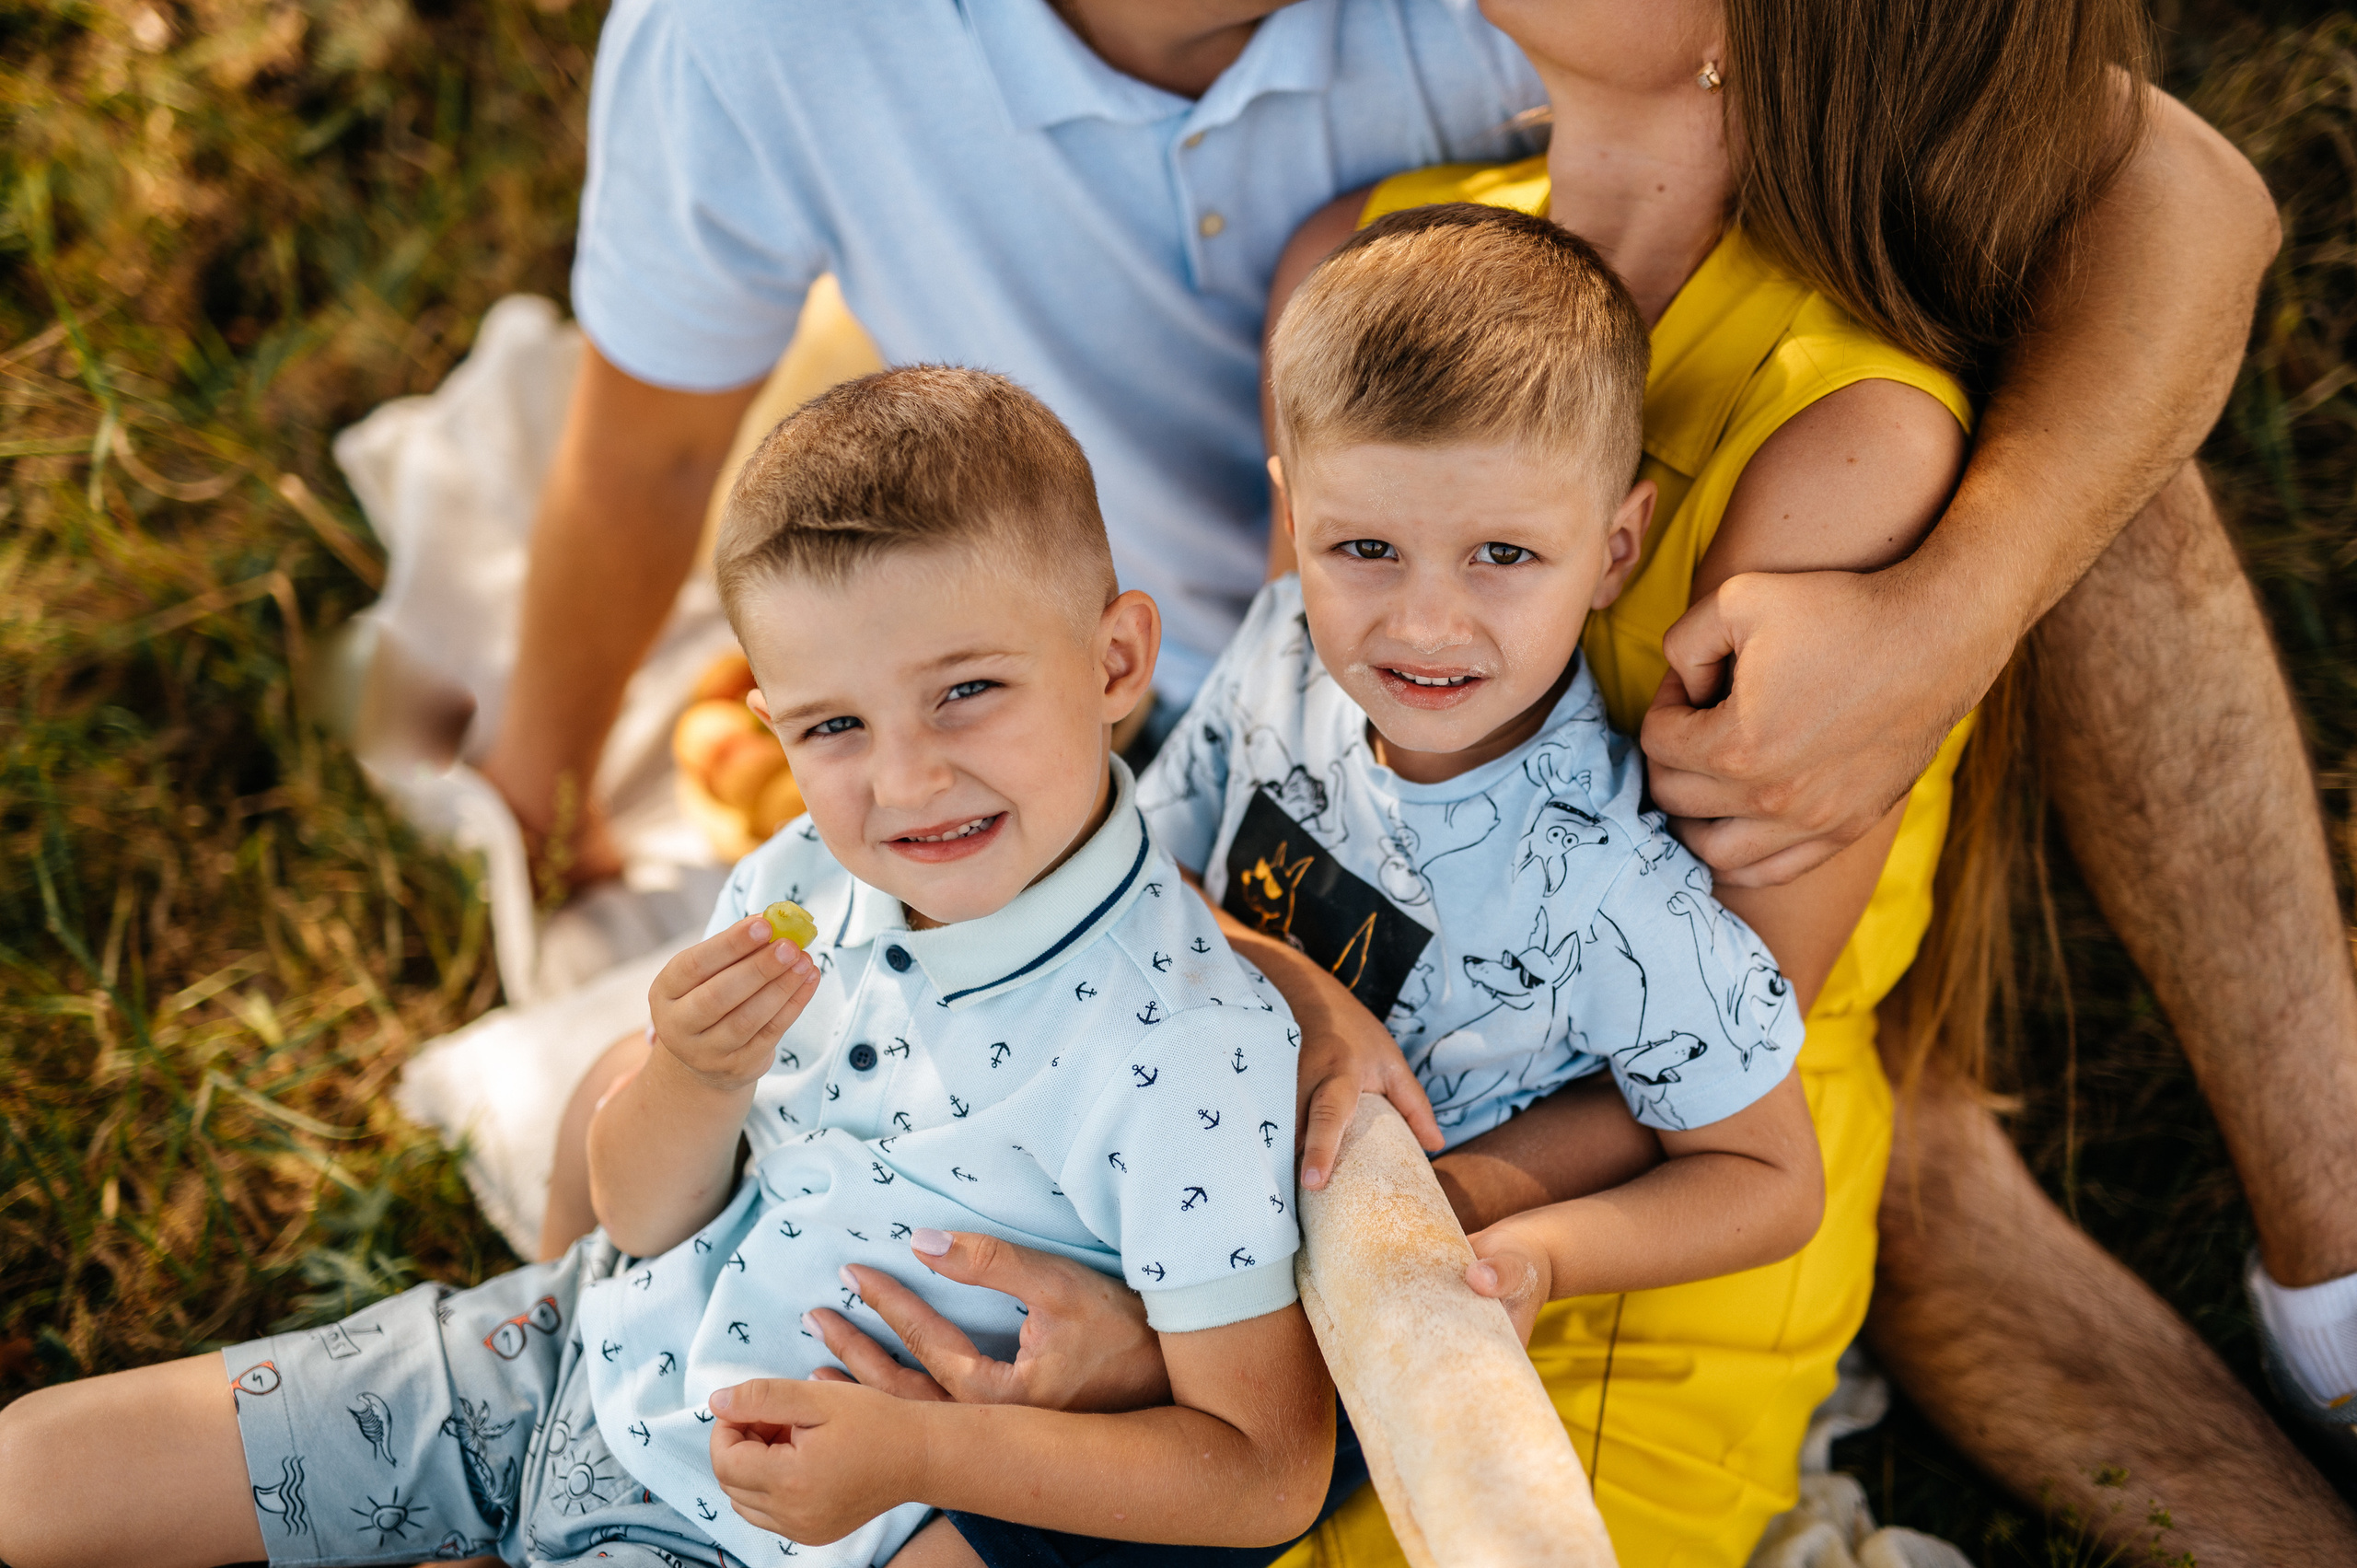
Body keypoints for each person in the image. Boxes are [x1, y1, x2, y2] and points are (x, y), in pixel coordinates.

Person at [0, 369, 1334, 1568]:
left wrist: (925, 1458)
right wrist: (690, 1078)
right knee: (42, 1470)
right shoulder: (807, 874)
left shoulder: (1182, 1047)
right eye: (834, 722)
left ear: (1116, 661)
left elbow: (1266, 1470)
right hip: (561, 1359)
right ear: (769, 717)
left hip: (754, 1523)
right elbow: (637, 1214)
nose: (907, 776)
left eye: (967, 690)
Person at [1149, 203, 1831, 1342]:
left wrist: (1542, 1253)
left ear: (1616, 551)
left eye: (1503, 556)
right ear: (1293, 511)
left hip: (1318, 1310)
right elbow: (1129, 865)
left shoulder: (1607, 888)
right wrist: (1297, 987)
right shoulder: (1278, 651)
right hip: (1144, 1148)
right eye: (1363, 548)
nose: (1423, 622)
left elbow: (1766, 1175)